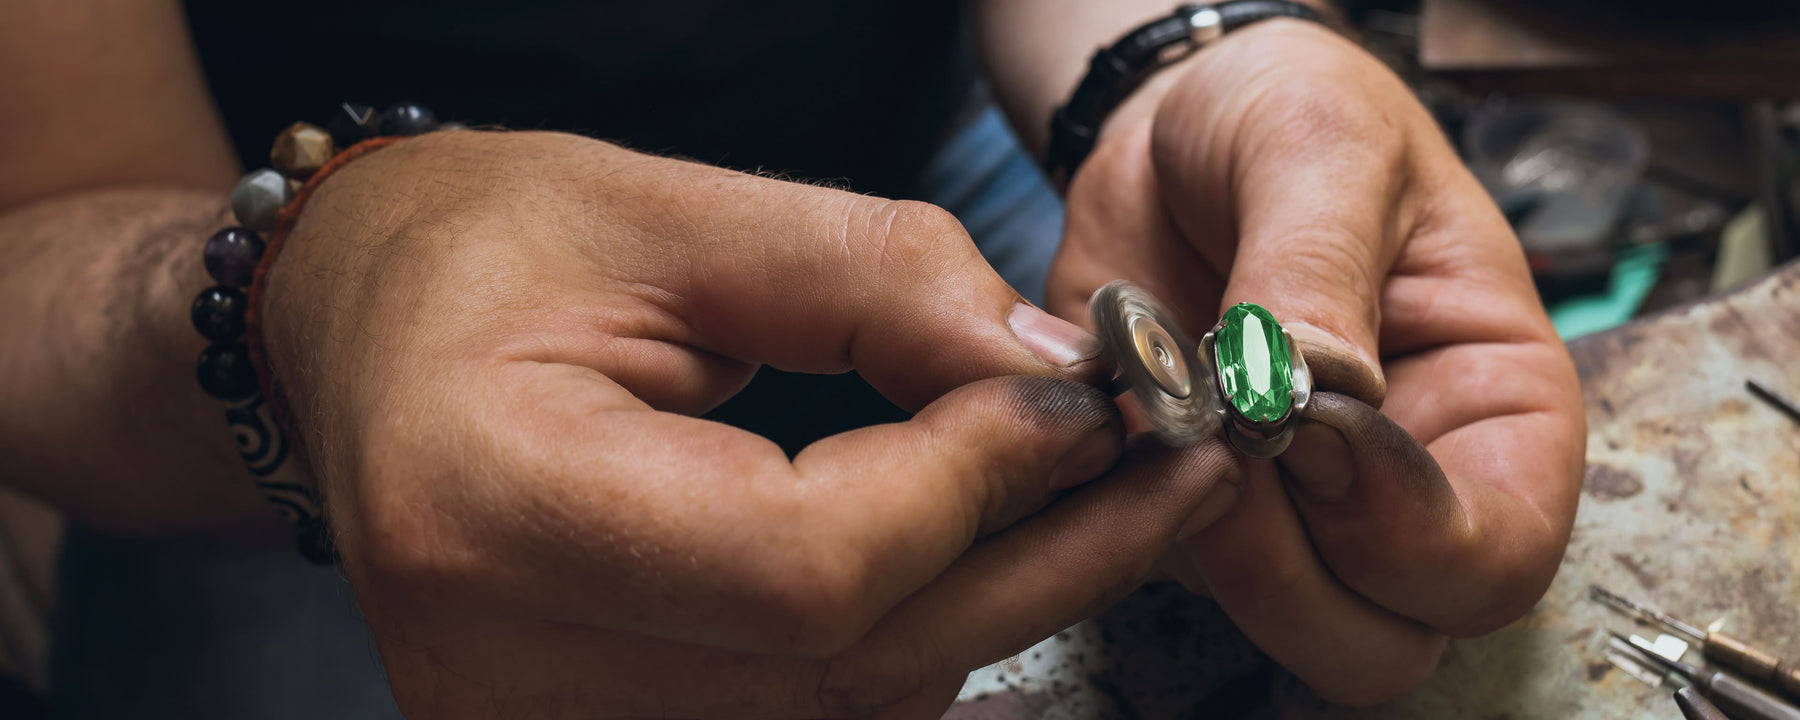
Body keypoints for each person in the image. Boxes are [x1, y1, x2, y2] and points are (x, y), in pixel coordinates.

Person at [0, 0, 1585, 717]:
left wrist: (1176, 56)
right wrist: (311, 302)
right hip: (253, 354)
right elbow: (35, 231)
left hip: (931, 143)